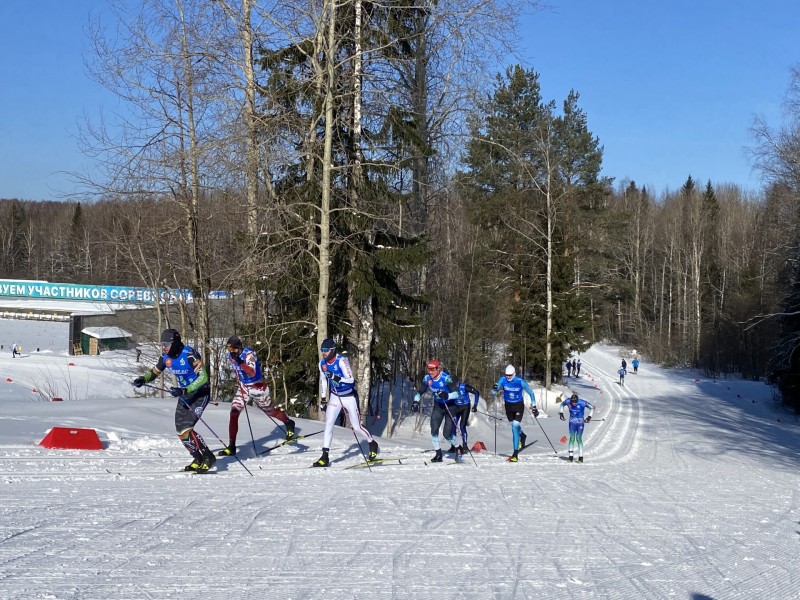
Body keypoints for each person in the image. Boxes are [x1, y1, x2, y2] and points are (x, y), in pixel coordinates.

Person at [132, 329, 216, 472]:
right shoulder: (165, 357)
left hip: (200, 393)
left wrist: (185, 390)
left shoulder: (189, 354)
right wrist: (143, 379)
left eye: (166, 344)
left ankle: (208, 456)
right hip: (185, 395)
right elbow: (154, 372)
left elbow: (203, 377)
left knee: (187, 428)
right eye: (162, 344)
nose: (164, 347)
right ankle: (197, 457)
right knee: (180, 431)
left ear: (175, 343)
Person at [218, 336, 295, 457]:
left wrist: (239, 361)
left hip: (258, 387)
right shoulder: (231, 356)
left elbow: (252, 372)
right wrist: (239, 381)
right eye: (229, 349)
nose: (230, 352)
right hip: (244, 388)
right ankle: (231, 446)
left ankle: (288, 422)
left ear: (239, 348)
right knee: (234, 413)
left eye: (233, 349)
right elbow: (238, 370)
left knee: (270, 412)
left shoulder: (249, 354)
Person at [312, 338, 378, 467]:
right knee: (329, 424)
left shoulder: (341, 360)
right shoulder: (322, 364)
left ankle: (372, 443)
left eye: (326, 350)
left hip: (349, 397)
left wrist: (335, 377)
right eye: (322, 350)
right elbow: (324, 380)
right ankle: (325, 456)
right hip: (335, 397)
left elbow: (350, 380)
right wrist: (324, 398)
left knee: (356, 426)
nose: (324, 353)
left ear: (332, 350)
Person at [413, 359, 462, 462]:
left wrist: (447, 395)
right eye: (428, 369)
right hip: (438, 406)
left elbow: (457, 394)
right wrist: (416, 401)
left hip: (450, 406)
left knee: (447, 434)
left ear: (438, 369)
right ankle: (438, 454)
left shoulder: (446, 378)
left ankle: (458, 447)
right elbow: (420, 391)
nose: (430, 372)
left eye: (432, 369)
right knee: (434, 430)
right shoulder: (427, 378)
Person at [489, 364, 538, 463]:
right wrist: (493, 389)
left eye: (510, 375)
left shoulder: (520, 381)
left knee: (514, 427)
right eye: (506, 375)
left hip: (518, 406)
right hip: (508, 406)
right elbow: (492, 394)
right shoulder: (502, 380)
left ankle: (515, 454)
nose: (508, 377)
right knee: (513, 425)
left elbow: (531, 393)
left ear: (514, 374)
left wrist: (534, 406)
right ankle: (523, 436)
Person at [559, 392, 594, 462]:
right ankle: (570, 457)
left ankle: (581, 458)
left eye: (575, 402)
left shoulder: (582, 403)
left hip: (580, 423)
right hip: (572, 423)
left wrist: (589, 417)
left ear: (577, 400)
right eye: (572, 402)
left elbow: (592, 408)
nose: (574, 403)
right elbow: (562, 405)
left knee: (578, 439)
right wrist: (561, 413)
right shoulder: (568, 401)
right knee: (572, 438)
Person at [448, 379, 481, 455]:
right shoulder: (450, 387)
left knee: (462, 426)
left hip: (465, 407)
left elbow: (476, 392)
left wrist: (475, 405)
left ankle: (465, 445)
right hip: (456, 407)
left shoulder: (464, 387)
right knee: (453, 425)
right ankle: (453, 445)